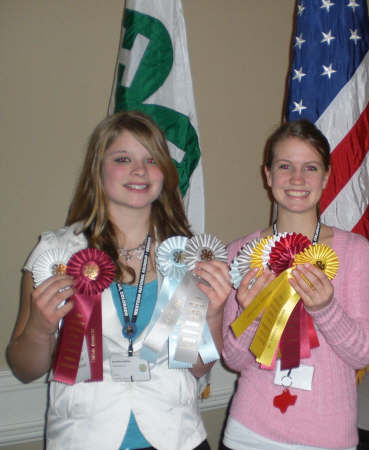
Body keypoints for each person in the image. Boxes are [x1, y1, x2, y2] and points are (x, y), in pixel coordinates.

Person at [6, 111, 231, 450]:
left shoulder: (187, 256)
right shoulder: (55, 254)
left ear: (165, 174)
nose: (139, 170)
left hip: (177, 438)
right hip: (82, 439)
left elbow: (195, 367)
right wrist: (40, 329)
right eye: (123, 159)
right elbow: (25, 370)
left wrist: (213, 315)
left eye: (151, 159)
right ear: (98, 169)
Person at [220, 120, 369, 449]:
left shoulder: (355, 251)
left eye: (310, 167)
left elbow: (362, 354)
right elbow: (234, 360)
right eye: (284, 166)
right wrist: (253, 314)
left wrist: (325, 308)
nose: (296, 179)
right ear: (267, 175)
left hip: (328, 436)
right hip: (250, 431)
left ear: (325, 176)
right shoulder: (241, 252)